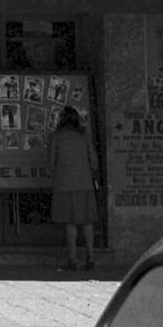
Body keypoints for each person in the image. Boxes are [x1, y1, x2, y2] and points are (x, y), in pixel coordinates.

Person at [49, 106, 100, 272]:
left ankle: (72, 259)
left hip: (64, 185)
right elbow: (94, 162)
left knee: (70, 222)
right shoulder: (84, 137)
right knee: (87, 221)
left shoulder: (56, 138)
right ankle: (91, 257)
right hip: (85, 184)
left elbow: (51, 165)